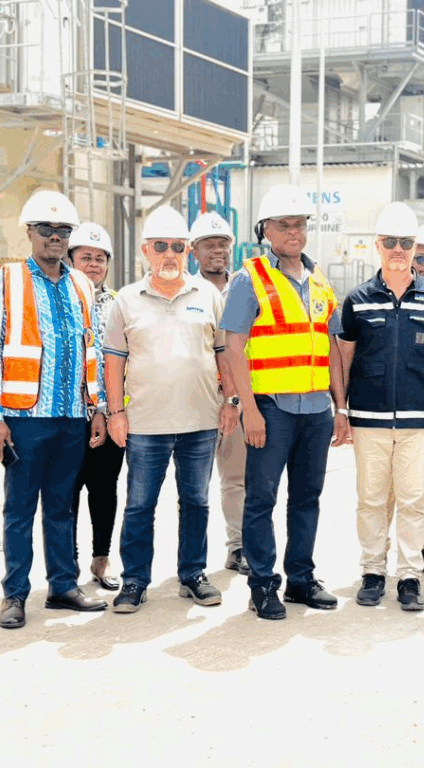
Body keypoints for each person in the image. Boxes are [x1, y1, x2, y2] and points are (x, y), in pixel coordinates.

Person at [0, 189, 108, 629]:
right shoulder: (5, 280)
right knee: (19, 509)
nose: (55, 237)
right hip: (24, 419)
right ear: (30, 233)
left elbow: (93, 349)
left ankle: (63, 586)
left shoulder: (81, 284)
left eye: (63, 231)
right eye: (47, 229)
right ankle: (14, 594)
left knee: (61, 507)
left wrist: (97, 407)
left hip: (72, 417)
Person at [221, 184, 349, 620]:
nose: (294, 231)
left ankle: (300, 579)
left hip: (316, 410)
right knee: (261, 499)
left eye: (299, 224)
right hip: (271, 409)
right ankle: (262, 585)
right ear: (266, 231)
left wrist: (340, 407)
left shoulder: (321, 282)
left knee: (307, 498)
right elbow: (234, 348)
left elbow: (331, 350)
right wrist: (249, 409)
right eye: (284, 225)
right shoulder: (249, 279)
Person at [104, 205, 235, 613]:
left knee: (196, 502)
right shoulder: (127, 300)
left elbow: (224, 354)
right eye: (160, 246)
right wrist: (115, 413)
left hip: (200, 422)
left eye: (178, 247)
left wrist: (230, 401)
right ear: (145, 250)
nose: (169, 254)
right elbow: (113, 361)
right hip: (145, 424)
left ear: (187, 252)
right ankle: (134, 580)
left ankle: (193, 574)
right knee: (139, 505)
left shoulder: (208, 295)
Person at [339, 204, 424, 611]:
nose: (399, 250)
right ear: (378, 246)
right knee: (370, 499)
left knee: (413, 500)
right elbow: (344, 358)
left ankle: (408, 576)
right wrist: (341, 411)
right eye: (391, 242)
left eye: (406, 242)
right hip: (368, 418)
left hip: (419, 420)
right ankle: (372, 571)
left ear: (415, 246)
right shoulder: (357, 300)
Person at [190, 211, 249, 576]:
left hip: (237, 397)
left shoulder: (245, 287)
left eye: (223, 244)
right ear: (194, 251)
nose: (217, 251)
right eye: (208, 245)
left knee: (236, 477)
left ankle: (238, 546)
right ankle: (190, 560)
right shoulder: (185, 290)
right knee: (193, 486)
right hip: (197, 396)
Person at [68, 222, 123, 591]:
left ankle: (101, 560)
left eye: (100, 258)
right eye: (85, 257)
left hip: (111, 412)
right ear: (71, 259)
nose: (93, 264)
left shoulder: (119, 303)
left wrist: (109, 408)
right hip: (67, 415)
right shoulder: (60, 300)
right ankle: (67, 565)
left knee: (104, 489)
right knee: (66, 491)